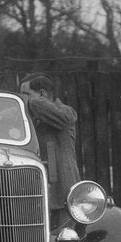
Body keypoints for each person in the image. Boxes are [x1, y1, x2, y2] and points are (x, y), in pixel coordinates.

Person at [19, 72, 80, 205]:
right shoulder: (31, 112)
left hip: (63, 189)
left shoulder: (66, 112)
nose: (24, 100)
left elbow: (64, 119)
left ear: (42, 93)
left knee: (65, 226)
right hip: (37, 188)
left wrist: (32, 101)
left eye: (26, 94)